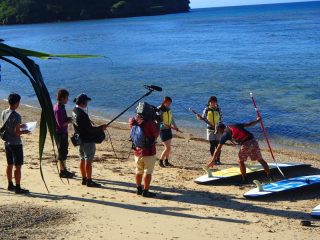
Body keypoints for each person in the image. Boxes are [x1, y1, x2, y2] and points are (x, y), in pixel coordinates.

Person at [208, 117, 271, 183]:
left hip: (246, 144)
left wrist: (212, 161)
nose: (218, 133)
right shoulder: (233, 125)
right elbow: (249, 124)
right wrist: (258, 121)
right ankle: (269, 176)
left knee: (240, 161)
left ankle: (244, 179)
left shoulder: (225, 135)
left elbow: (218, 149)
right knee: (260, 159)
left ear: (220, 129)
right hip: (253, 141)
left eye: (218, 131)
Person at [72, 93, 107, 188]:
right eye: (86, 101)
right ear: (83, 102)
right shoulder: (82, 114)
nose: (87, 103)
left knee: (82, 159)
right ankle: (89, 180)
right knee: (88, 161)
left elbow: (84, 127)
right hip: (87, 140)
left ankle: (84, 178)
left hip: (80, 139)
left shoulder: (74, 110)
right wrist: (101, 128)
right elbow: (90, 129)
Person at [1, 93, 30, 194]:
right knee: (18, 166)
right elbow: (17, 132)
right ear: (16, 103)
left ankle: (10, 184)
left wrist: (19, 127)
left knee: (9, 164)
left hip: (7, 142)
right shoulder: (17, 116)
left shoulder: (4, 112)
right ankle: (18, 187)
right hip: (16, 144)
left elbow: (9, 127)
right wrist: (25, 131)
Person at [129, 106, 160, 198]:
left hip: (137, 151)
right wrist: (158, 123)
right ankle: (146, 191)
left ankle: (139, 189)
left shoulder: (133, 121)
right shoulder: (150, 123)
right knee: (148, 172)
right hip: (149, 151)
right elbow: (156, 134)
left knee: (138, 171)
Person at [53, 89, 74, 178]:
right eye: (66, 98)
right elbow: (60, 124)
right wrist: (70, 121)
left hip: (63, 133)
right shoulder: (58, 108)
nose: (67, 99)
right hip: (60, 133)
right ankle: (62, 171)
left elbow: (63, 119)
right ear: (62, 98)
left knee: (64, 152)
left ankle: (64, 170)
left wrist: (69, 118)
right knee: (62, 152)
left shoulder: (61, 106)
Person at [197, 96, 223, 164]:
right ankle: (213, 159)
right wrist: (199, 117)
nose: (213, 103)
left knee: (218, 145)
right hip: (210, 129)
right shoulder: (206, 109)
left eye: (214, 102)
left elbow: (221, 119)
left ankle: (218, 159)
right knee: (212, 145)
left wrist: (220, 128)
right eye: (211, 102)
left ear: (216, 102)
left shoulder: (218, 109)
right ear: (209, 102)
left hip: (218, 129)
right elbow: (203, 118)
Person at [158, 96, 180, 167]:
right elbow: (158, 120)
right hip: (162, 130)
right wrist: (164, 125)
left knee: (168, 148)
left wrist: (175, 126)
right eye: (168, 103)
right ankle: (160, 161)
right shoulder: (159, 109)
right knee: (168, 148)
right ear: (164, 102)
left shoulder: (169, 109)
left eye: (170, 103)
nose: (169, 104)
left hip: (169, 130)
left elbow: (172, 119)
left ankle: (166, 161)